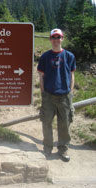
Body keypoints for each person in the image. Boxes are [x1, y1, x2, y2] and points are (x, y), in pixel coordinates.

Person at [37, 28, 76, 162]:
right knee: (46, 123)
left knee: (64, 124)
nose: (56, 40)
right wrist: (43, 93)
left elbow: (72, 75)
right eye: (53, 37)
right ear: (50, 39)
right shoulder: (45, 57)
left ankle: (63, 150)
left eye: (58, 37)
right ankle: (47, 148)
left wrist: (70, 93)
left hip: (64, 96)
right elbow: (41, 76)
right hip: (48, 95)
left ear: (62, 39)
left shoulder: (69, 56)